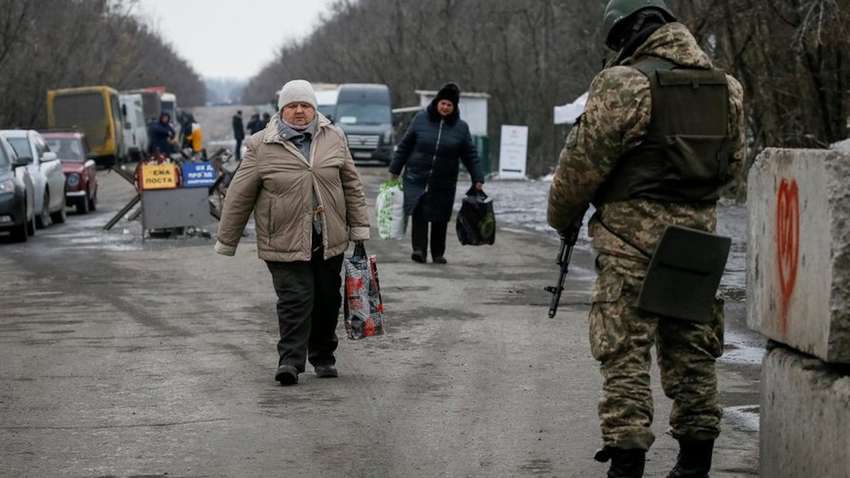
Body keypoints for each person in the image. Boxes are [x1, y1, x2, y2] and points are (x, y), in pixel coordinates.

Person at [546, 1, 745, 477]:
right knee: (692, 353)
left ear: (630, 34)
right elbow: (733, 165)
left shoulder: (625, 84)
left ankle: (627, 462)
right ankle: (696, 463)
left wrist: (563, 217)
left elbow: (579, 168)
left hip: (628, 244)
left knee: (624, 355)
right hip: (696, 243)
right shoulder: (727, 88)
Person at [215, 79, 370, 386]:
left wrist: (360, 226)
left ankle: (324, 356)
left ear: (314, 109)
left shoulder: (334, 137)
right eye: (292, 106)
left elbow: (351, 184)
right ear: (282, 110)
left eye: (305, 105)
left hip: (328, 237)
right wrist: (227, 239)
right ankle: (290, 360)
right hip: (283, 237)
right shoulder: (261, 145)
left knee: (327, 299)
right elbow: (239, 194)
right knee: (295, 299)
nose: (299, 111)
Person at [389, 82, 484, 264]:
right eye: (443, 103)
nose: (445, 107)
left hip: (444, 180)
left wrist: (477, 178)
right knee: (420, 213)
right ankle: (419, 250)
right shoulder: (420, 119)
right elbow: (405, 145)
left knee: (440, 217)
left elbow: (470, 154)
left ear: (454, 107)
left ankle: (438, 253)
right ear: (437, 103)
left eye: (449, 105)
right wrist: (395, 169)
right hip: (417, 176)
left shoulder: (461, 128)